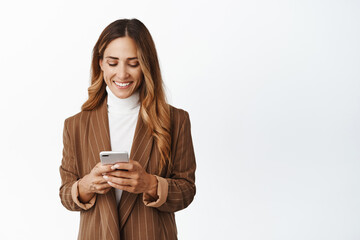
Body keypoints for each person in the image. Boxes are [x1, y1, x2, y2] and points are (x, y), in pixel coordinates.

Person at [59, 18, 196, 240]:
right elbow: (65, 194)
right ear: (100, 63)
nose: (122, 74)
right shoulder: (75, 125)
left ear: (147, 64)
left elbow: (187, 191)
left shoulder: (176, 120)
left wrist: (150, 184)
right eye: (113, 63)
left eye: (133, 63)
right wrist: (86, 185)